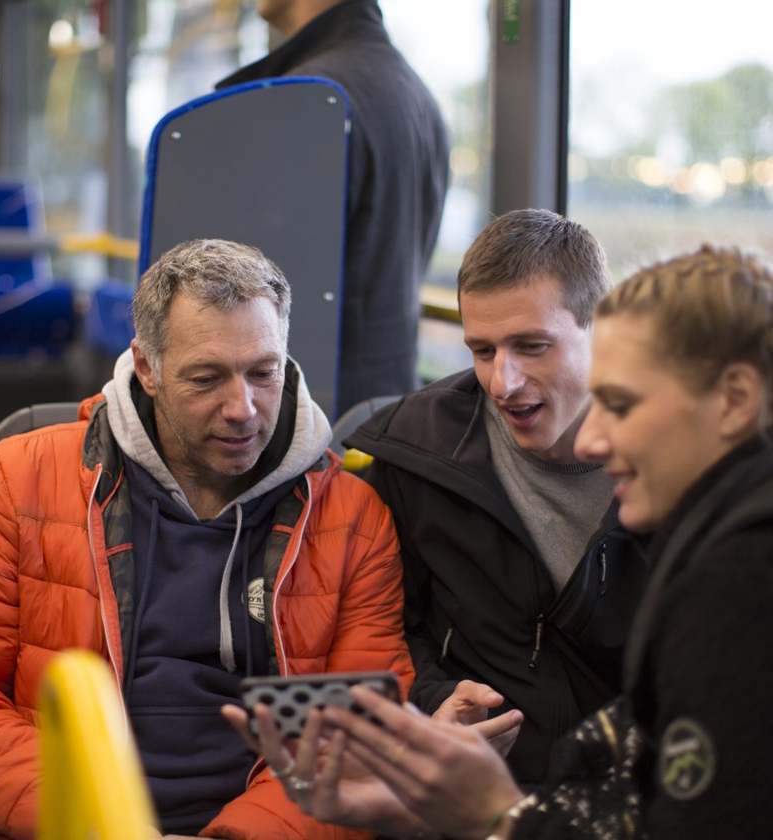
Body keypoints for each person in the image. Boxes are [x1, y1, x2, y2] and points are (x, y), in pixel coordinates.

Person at [232, 243, 773, 840]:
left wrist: (497, 817)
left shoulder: (737, 581)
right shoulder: (407, 454)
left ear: (734, 401)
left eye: (621, 404)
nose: (595, 441)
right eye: (481, 351)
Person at [0, 238, 414, 840]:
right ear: (146, 368)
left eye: (263, 374)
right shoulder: (17, 482)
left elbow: (359, 733)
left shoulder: (353, 518)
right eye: (206, 379)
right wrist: (94, 819)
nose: (242, 408)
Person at [342, 209, 649, 784]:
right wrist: (432, 702)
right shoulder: (414, 454)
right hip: (476, 791)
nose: (503, 382)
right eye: (482, 352)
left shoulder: (680, 461)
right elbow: (378, 633)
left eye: (532, 346)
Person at [216, 0, 450, 415]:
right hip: (384, 410)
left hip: (308, 420)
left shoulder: (309, 98)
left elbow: (256, 298)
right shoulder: (415, 93)